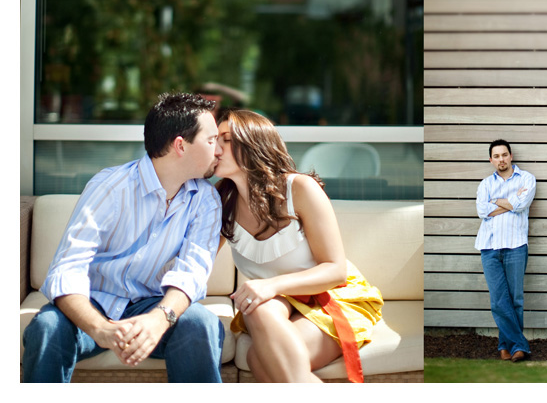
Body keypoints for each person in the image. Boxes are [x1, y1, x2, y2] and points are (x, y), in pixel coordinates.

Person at [22, 93, 225, 382]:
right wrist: (100, 329)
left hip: (152, 304)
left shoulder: (206, 201)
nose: (218, 150)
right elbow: (66, 271)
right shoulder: (111, 187)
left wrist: (158, 319)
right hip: (93, 303)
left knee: (200, 322)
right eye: (211, 140)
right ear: (180, 145)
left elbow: (192, 274)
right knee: (47, 327)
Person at [214, 109, 383, 383]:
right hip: (274, 302)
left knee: (259, 359)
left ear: (254, 143)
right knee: (259, 309)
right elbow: (196, 263)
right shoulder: (221, 203)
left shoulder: (300, 189)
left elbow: (335, 270)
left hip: (331, 295)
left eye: (226, 139)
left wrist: (271, 285)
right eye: (213, 140)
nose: (216, 148)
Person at [474, 139, 537, 362]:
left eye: (504, 155)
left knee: (515, 299)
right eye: (496, 156)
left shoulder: (527, 178)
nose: (501, 159)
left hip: (516, 245)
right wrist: (510, 200)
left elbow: (522, 205)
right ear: (491, 160)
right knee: (498, 300)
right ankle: (519, 345)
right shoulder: (485, 184)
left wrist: (497, 202)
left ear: (511, 156)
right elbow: (482, 210)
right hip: (489, 247)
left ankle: (505, 346)